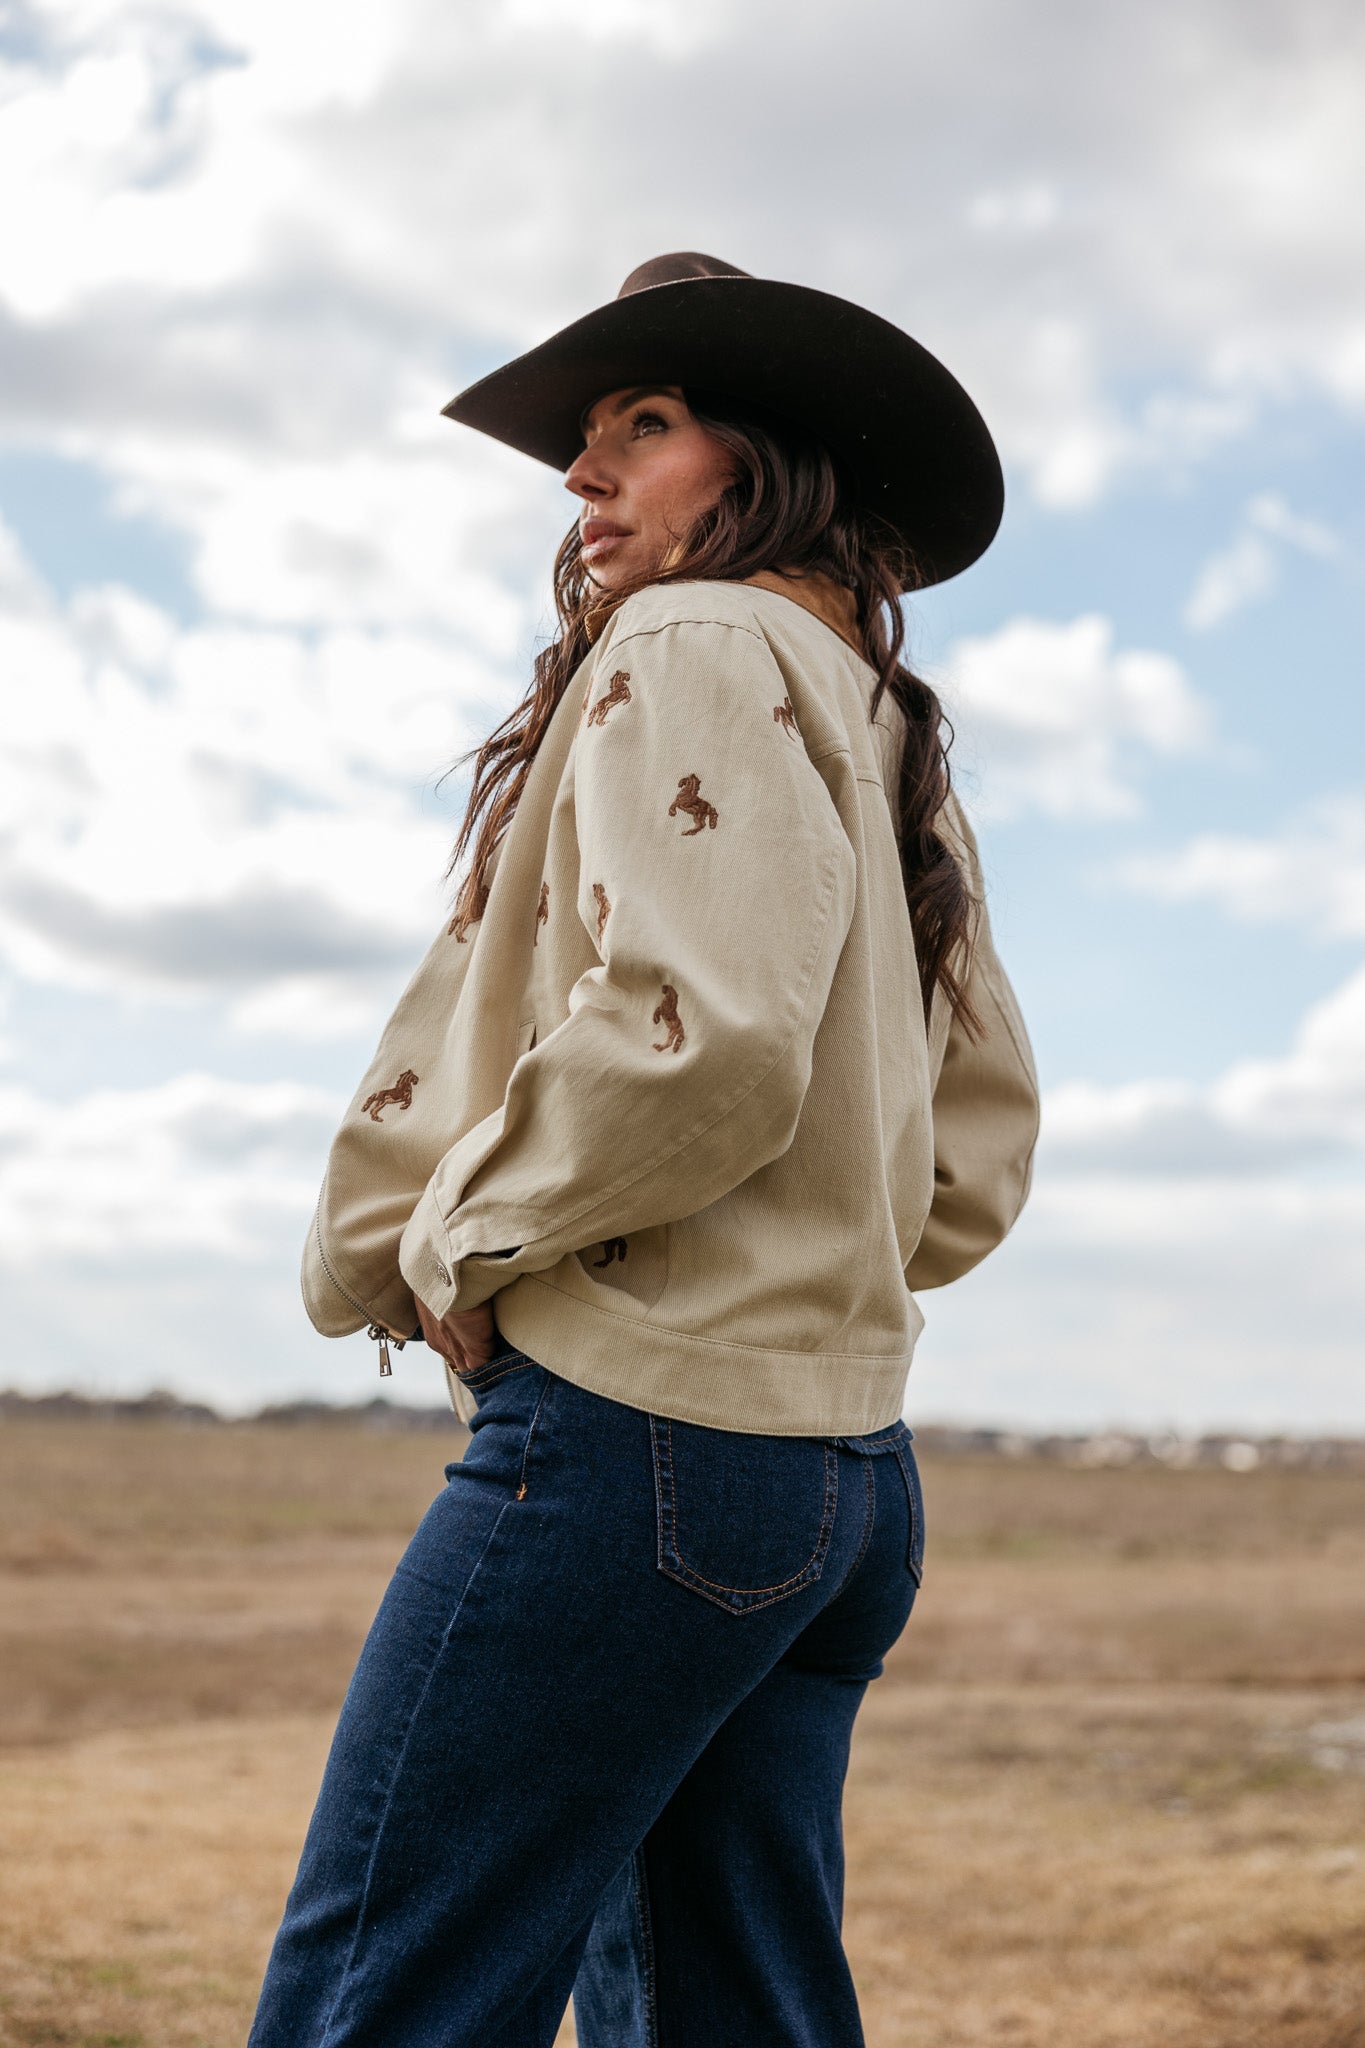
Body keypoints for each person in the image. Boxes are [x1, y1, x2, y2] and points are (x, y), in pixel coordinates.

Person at [249, 252, 1039, 2048]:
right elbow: (973, 1151)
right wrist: (802, 1263)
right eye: (585, 441)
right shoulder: (888, 725)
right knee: (731, 2012)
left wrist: (465, 1243)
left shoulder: (690, 640)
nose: (584, 476)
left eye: (646, 426)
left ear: (768, 458)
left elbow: (699, 1038)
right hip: (841, 1480)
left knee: (389, 1992)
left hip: (639, 1455)